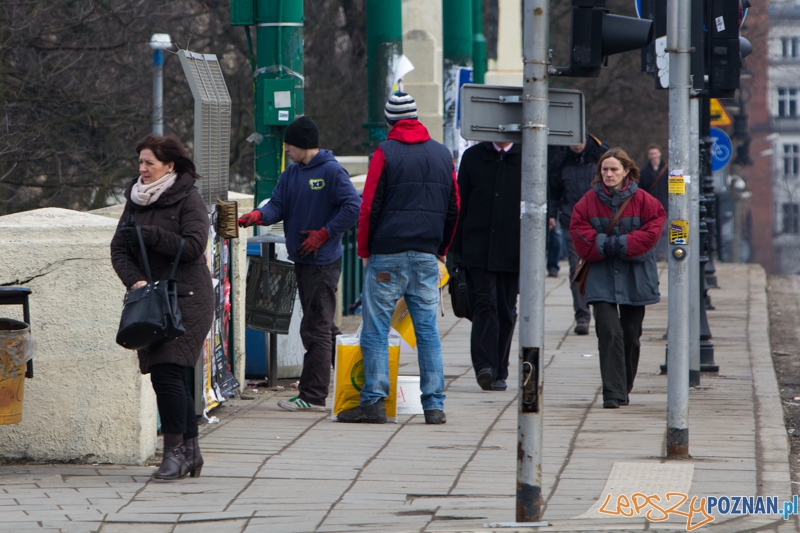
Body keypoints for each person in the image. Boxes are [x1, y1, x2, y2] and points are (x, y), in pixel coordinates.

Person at [337, 92, 459, 425]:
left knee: (375, 330)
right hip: (425, 256)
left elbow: (369, 206)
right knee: (427, 331)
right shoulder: (441, 154)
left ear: (390, 121)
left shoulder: (385, 153)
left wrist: (363, 251)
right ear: (416, 118)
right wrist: (441, 250)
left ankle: (374, 402)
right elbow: (454, 208)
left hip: (386, 255)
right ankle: (434, 405)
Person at [238, 116, 361, 412]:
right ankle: (359, 375)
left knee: (315, 328)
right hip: (303, 259)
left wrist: (324, 234)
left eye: (289, 146)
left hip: (322, 262)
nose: (286, 151)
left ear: (302, 144)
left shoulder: (331, 172)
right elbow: (277, 205)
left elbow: (353, 207)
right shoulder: (292, 173)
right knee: (324, 327)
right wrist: (257, 215)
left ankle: (313, 396)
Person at [111, 134, 215, 481]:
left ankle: (173, 454)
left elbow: (194, 246)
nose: (142, 169)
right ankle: (191, 452)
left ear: (169, 165)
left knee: (168, 371)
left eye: (149, 163)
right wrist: (136, 281)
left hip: (188, 298)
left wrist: (152, 236)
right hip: (152, 300)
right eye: (140, 162)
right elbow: (119, 249)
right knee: (169, 375)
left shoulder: (190, 199)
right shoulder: (135, 200)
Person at [569, 148, 666, 409]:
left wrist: (619, 244)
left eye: (614, 169)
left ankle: (624, 386)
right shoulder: (588, 202)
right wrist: (604, 245)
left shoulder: (645, 201)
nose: (608, 174)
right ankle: (612, 392)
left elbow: (652, 231)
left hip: (636, 278)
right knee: (609, 332)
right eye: (604, 169)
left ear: (626, 171)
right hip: (601, 277)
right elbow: (578, 231)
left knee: (631, 335)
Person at [450, 141, 520, 392]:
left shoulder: (527, 155)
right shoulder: (474, 156)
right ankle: (484, 367)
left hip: (514, 250)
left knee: (506, 309)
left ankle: (500, 369)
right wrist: (454, 252)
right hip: (477, 247)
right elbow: (460, 204)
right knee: (484, 305)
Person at [548, 133, 609, 335]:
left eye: (580, 141)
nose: (576, 146)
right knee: (577, 271)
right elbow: (554, 191)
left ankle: (603, 314)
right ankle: (582, 316)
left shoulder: (600, 157)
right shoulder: (561, 161)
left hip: (600, 223)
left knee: (601, 270)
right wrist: (552, 214)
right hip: (571, 222)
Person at [638, 143, 669, 261]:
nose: (653, 156)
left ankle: (660, 255)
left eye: (655, 153)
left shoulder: (667, 170)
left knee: (664, 230)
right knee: (652, 230)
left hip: (665, 204)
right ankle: (653, 253)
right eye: (651, 154)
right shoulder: (644, 172)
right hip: (649, 207)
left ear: (660, 154)